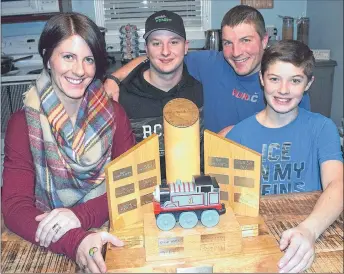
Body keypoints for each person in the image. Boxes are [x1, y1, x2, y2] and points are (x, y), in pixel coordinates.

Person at [1, 13, 135, 273]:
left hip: (111, 229)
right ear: (48, 58)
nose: (80, 71)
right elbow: (16, 208)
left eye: (88, 59)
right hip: (46, 240)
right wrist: (76, 241)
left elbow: (130, 187)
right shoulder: (22, 123)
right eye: (68, 57)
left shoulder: (115, 114)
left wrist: (79, 216)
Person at [222, 40, 343, 273]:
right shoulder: (238, 135)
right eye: (274, 79)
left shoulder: (322, 128)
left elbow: (337, 184)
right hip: (258, 243)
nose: (283, 90)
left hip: (315, 234)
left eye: (295, 80)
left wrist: (308, 230)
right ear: (261, 79)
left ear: (309, 84)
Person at [104, 5, 310, 133]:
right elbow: (162, 57)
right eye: (228, 42)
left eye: (246, 40)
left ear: (265, 40)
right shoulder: (210, 63)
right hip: (213, 170)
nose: (236, 52)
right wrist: (114, 78)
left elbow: (297, 135)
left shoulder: (283, 83)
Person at [114, 10, 203, 180]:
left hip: (189, 189)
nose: (165, 51)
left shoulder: (199, 90)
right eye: (156, 43)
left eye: (174, 42)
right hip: (142, 191)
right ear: (146, 49)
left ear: (186, 47)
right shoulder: (123, 97)